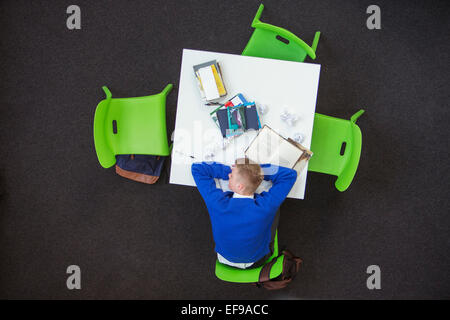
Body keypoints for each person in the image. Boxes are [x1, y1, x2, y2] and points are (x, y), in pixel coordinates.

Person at [191, 158, 297, 269]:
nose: (229, 176)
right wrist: (256, 173)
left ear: (240, 186)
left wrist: (228, 170)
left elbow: (197, 168)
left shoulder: (218, 204)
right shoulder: (265, 206)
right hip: (257, 260)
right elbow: (289, 175)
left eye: (231, 175)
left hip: (224, 257)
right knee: (274, 209)